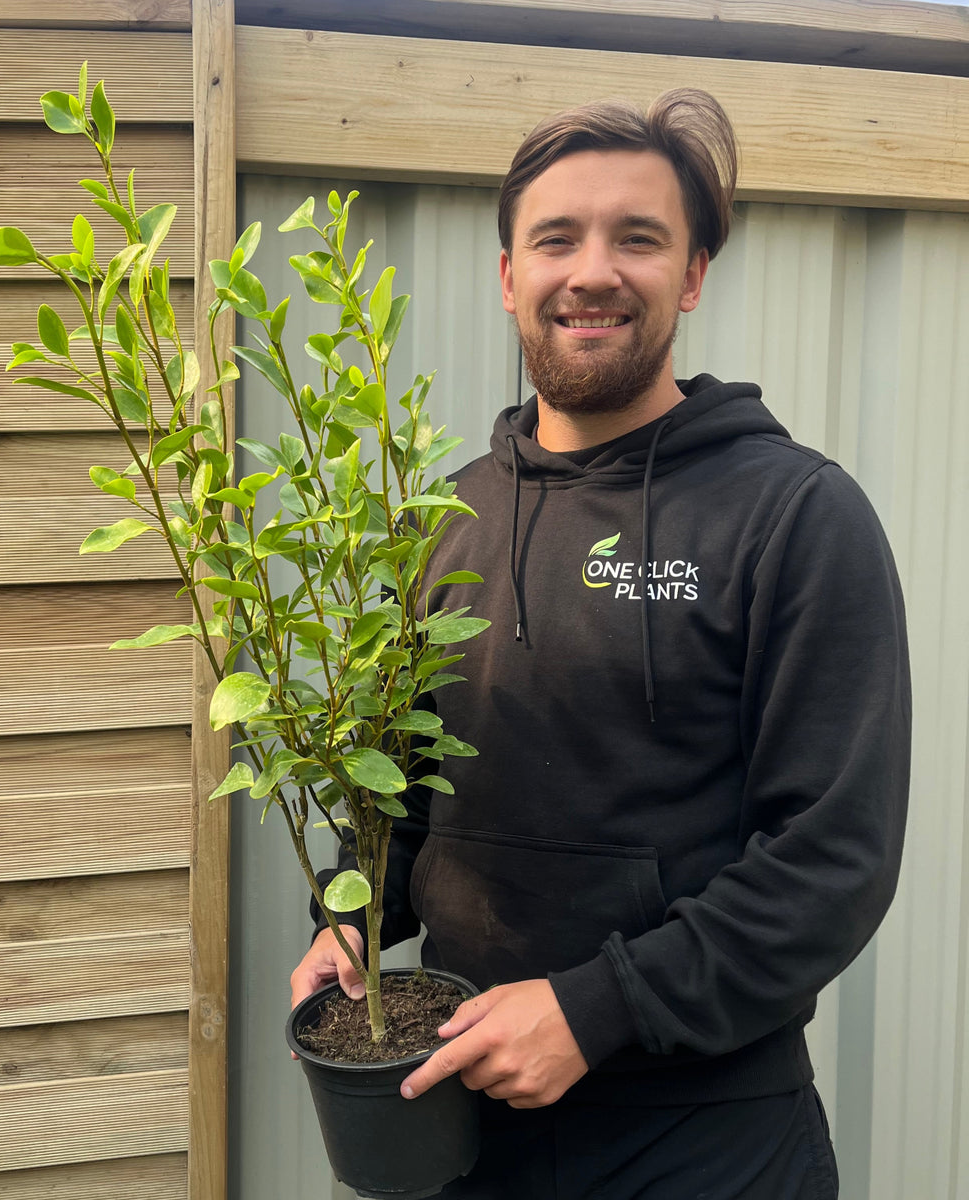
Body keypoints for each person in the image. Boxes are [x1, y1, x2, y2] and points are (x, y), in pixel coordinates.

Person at [290, 88, 910, 1199]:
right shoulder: (441, 522)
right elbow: (396, 801)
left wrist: (595, 1010)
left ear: (694, 274)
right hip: (457, 1116)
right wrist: (346, 919)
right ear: (508, 276)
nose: (593, 272)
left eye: (639, 237)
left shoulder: (796, 516)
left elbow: (833, 861)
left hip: (705, 1130)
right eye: (556, 238)